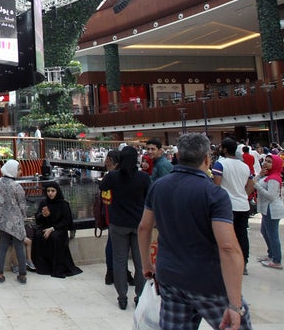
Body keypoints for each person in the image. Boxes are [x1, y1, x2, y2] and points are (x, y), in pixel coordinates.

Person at [138, 133, 251, 330]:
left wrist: (146, 265)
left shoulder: (158, 187)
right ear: (207, 158)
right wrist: (234, 304)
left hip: (170, 278)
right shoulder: (214, 194)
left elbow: (144, 227)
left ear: (178, 156)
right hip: (209, 283)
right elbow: (228, 247)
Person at [98, 146, 149, 310]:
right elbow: (150, 197)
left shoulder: (113, 177)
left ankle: (122, 296)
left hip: (118, 224)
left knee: (119, 261)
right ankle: (140, 296)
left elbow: (102, 187)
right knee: (140, 262)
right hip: (138, 224)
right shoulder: (143, 177)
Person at [212, 138, 254, 274]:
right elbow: (251, 185)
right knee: (242, 235)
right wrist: (242, 195)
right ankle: (244, 264)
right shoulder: (244, 166)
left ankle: (226, 263)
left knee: (225, 236)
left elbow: (216, 186)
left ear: (224, 149)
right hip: (243, 205)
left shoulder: (220, 165)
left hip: (226, 206)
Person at [31, 180, 82, 278]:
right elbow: (38, 219)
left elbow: (66, 221)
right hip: (46, 227)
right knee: (38, 235)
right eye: (48, 191)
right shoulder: (44, 203)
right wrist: (42, 215)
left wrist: (53, 228)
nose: (50, 193)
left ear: (57, 191)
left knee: (55, 237)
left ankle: (58, 268)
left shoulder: (63, 204)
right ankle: (43, 267)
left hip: (59, 229)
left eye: (53, 191)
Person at [0, 159, 28, 284]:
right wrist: (23, 217)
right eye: (18, 169)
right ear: (13, 170)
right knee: (19, 247)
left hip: (2, 220)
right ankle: (22, 275)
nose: (20, 172)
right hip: (15, 221)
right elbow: (22, 205)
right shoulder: (16, 186)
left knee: (2, 247)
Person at [253, 154, 284, 269]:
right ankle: (271, 254)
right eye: (265, 161)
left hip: (272, 209)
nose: (266, 163)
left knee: (272, 235)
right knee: (265, 231)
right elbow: (254, 181)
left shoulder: (274, 179)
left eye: (269, 161)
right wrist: (259, 175)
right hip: (267, 209)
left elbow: (271, 196)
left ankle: (276, 260)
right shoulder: (267, 176)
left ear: (275, 164)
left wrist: (256, 186)